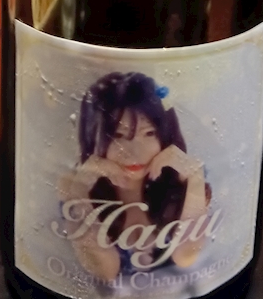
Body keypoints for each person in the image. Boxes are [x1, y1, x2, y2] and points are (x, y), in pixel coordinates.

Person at [59, 71, 209, 282]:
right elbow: (104, 271)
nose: (134, 152)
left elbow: (187, 256)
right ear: (93, 137)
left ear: (165, 135)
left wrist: (195, 177)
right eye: (118, 136)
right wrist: (81, 187)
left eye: (149, 133)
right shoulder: (74, 185)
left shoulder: (187, 180)